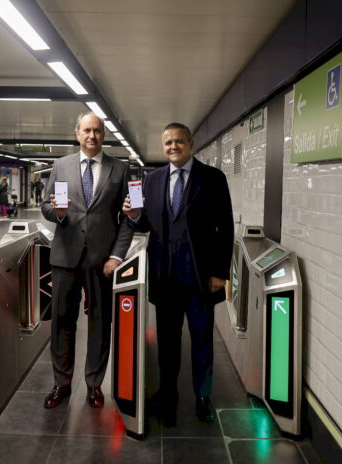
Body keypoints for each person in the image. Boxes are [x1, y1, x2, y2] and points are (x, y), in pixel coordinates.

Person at [122, 122, 234, 426]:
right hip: (165, 276)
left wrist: (220, 273)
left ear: (191, 144)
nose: (173, 146)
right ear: (164, 147)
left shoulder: (213, 178)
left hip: (201, 277)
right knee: (167, 341)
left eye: (179, 141)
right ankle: (167, 393)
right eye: (168, 142)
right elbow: (145, 224)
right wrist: (133, 216)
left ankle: (203, 396)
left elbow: (225, 228)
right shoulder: (152, 180)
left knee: (202, 338)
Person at [41, 112, 133, 409]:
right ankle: (61, 383)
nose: (92, 136)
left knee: (100, 323)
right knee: (62, 322)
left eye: (97, 131)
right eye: (86, 130)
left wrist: (116, 256)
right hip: (64, 257)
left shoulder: (121, 169)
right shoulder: (61, 165)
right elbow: (45, 206)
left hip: (102, 261)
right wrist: (57, 212)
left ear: (104, 134)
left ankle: (94, 384)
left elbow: (130, 217)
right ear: (77, 133)